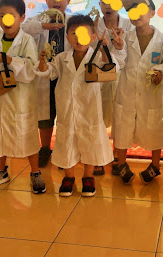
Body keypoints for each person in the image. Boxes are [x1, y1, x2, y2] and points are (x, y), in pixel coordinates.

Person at [35, 15, 124, 197]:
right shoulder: (62, 58)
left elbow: (111, 67)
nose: (78, 38)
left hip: (89, 108)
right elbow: (49, 73)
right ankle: (68, 177)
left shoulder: (97, 56)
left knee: (90, 141)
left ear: (93, 37)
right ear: (67, 37)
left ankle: (88, 176)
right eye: (74, 33)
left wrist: (104, 48)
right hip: (67, 109)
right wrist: (43, 64)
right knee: (66, 141)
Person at [0, 0, 45, 193]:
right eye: (1, 16)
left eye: (11, 16)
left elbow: (31, 69)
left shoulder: (27, 41)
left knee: (27, 135)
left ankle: (35, 173)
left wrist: (10, 61)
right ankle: (0, 171)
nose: (5, 21)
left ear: (22, 17)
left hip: (20, 98)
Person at [113, 0, 163, 184]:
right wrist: (118, 47)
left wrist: (160, 72)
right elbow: (118, 61)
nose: (137, 14)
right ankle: (121, 163)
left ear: (152, 13)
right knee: (123, 127)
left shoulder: (162, 40)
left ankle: (155, 165)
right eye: (132, 11)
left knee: (153, 127)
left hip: (150, 93)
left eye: (141, 10)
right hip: (127, 91)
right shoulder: (124, 37)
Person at [22, 0, 72, 168]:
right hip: (44, 76)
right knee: (45, 114)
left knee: (66, 114)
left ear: (68, 1)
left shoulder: (73, 22)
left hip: (66, 75)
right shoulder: (38, 20)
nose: (56, 1)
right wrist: (44, 26)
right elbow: (23, 29)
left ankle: (64, 150)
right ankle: (45, 148)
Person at [93, 0, 133, 176]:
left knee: (120, 117)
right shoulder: (93, 25)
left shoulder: (128, 25)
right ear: (100, 4)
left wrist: (119, 46)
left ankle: (119, 156)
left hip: (121, 78)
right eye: (105, 2)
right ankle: (98, 158)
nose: (108, 6)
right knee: (97, 116)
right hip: (98, 77)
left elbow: (130, 55)